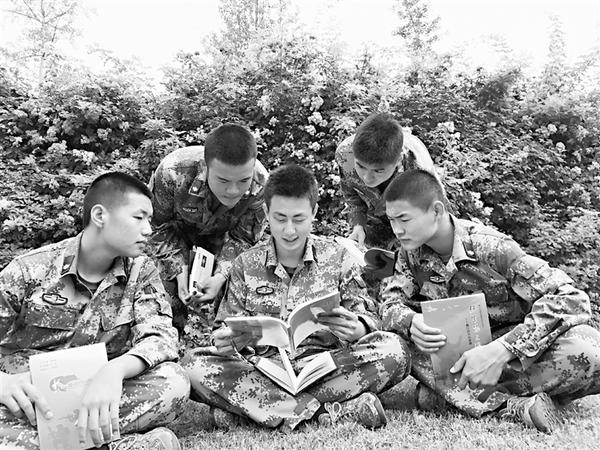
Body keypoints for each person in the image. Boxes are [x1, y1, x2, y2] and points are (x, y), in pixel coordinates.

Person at [182, 165, 410, 431]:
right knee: (192, 365)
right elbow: (225, 329)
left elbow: (366, 317)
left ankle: (257, 411)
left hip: (326, 367)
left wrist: (357, 327)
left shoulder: (337, 257)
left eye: (298, 219)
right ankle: (327, 412)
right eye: (280, 219)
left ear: (314, 213)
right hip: (264, 371)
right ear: (266, 212)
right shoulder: (245, 264)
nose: (289, 230)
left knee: (394, 349)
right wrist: (229, 341)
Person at [379, 169, 600, 433]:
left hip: (515, 354)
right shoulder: (409, 255)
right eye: (391, 220)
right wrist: (411, 321)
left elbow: (570, 298)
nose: (397, 230)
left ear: (436, 211)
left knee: (589, 349)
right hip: (458, 358)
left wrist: (502, 350)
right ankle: (512, 406)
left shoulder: (492, 248)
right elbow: (389, 303)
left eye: (404, 219)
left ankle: (445, 397)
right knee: (400, 345)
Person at [0, 172, 190, 450]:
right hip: (31, 398)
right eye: (139, 218)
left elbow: (160, 338)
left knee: (174, 382)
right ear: (100, 216)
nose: (149, 229)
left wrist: (115, 370)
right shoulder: (29, 270)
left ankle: (41, 441)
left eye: (149, 220)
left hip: (100, 392)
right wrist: (3, 383)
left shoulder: (141, 272)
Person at [148, 123, 268, 346]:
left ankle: (221, 348)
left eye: (243, 181)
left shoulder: (261, 184)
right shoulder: (172, 172)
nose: (233, 191)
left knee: (237, 284)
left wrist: (220, 276)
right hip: (177, 236)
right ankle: (166, 344)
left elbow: (244, 239)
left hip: (224, 240)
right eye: (223, 181)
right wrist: (179, 272)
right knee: (165, 291)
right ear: (206, 167)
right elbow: (157, 227)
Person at [335, 112, 437, 250]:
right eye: (361, 166)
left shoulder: (418, 170)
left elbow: (430, 216)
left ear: (398, 160)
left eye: (378, 171)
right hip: (373, 222)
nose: (367, 178)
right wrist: (358, 225)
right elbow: (352, 197)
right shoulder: (345, 156)